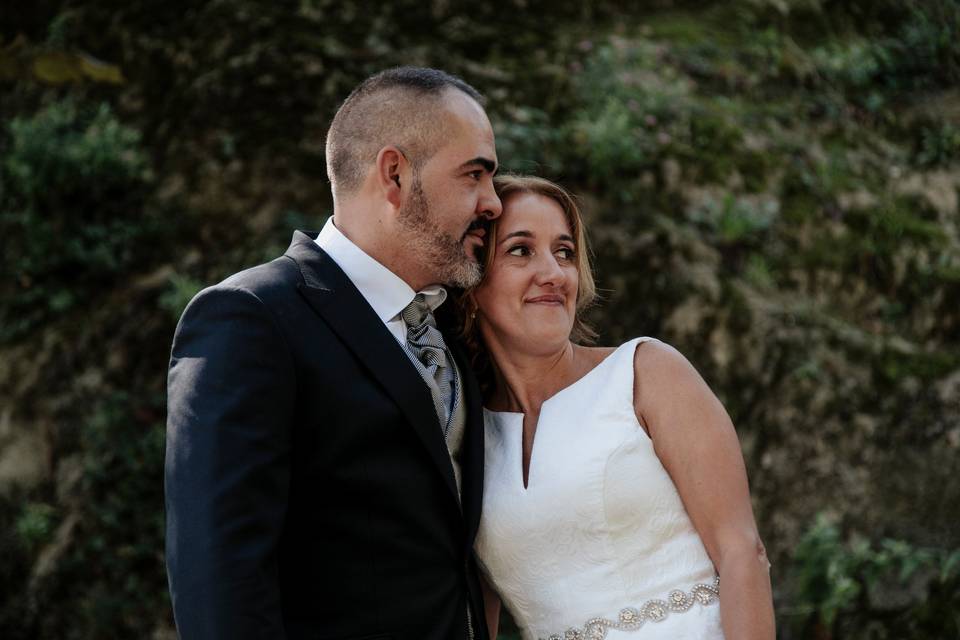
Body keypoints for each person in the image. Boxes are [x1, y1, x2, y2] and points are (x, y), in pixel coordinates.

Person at [164, 67, 502, 640]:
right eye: (474, 175)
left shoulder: (454, 325)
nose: (493, 203)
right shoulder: (251, 317)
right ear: (394, 175)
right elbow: (219, 575)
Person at [460, 175, 775, 640]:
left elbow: (742, 552)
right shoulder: (465, 432)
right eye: (521, 250)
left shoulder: (644, 372)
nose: (553, 273)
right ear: (472, 279)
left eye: (564, 252)